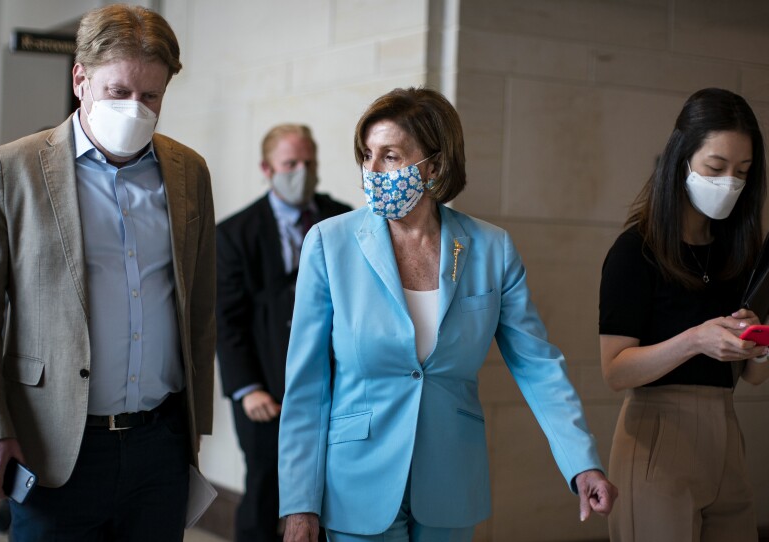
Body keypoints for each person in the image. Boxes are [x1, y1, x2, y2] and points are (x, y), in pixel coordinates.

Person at [278, 87, 617, 542]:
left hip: (451, 479)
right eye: (367, 155)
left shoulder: (491, 249)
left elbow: (538, 365)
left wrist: (583, 463)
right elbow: (307, 386)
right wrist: (299, 502)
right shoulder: (329, 242)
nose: (372, 171)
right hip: (356, 482)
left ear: (433, 167)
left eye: (391, 156)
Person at [0, 4, 215, 541]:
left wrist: (193, 428)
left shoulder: (188, 171)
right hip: (54, 443)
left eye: (151, 96)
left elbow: (200, 302)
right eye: (119, 92)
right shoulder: (15, 167)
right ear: (80, 80)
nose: (136, 109)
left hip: (158, 444)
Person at [599, 87, 769, 541]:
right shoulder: (636, 251)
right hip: (656, 436)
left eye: (743, 172)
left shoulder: (737, 252)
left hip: (725, 433)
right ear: (682, 158)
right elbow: (615, 371)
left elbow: (753, 377)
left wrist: (758, 341)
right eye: (716, 168)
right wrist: (695, 339)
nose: (730, 182)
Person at [216, 124, 351, 542]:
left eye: (309, 163)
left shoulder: (344, 219)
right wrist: (248, 388)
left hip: (333, 384)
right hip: (265, 391)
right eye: (291, 163)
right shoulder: (235, 233)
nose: (302, 172)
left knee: (333, 491)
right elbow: (226, 318)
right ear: (267, 168)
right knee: (264, 488)